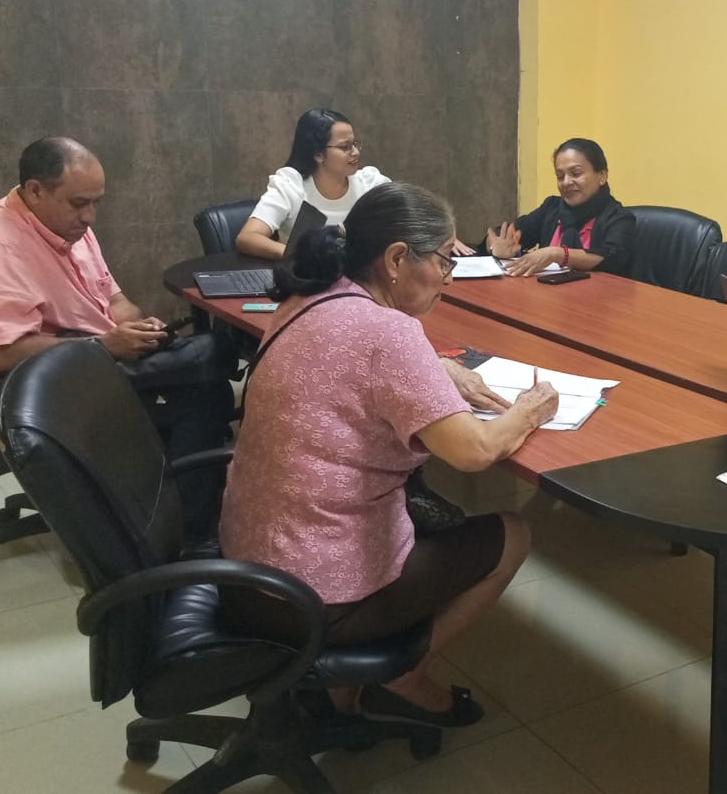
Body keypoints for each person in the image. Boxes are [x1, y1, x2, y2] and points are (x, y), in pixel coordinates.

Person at [220, 181, 558, 728]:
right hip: (312, 598)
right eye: (444, 260)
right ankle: (402, 678)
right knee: (512, 535)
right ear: (398, 259)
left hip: (248, 567)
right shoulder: (388, 332)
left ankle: (348, 680)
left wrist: (437, 368)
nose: (449, 277)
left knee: (425, 506)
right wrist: (529, 410)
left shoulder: (305, 300)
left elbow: (350, 367)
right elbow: (474, 451)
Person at [0, 137, 235, 538]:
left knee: (207, 374)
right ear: (35, 190)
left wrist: (135, 329)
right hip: (50, 389)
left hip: (98, 359)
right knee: (205, 388)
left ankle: (164, 511)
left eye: (95, 203)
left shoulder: (68, 227)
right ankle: (183, 536)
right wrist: (104, 345)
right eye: (79, 203)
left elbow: (115, 301)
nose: (90, 216)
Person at [235, 109, 398, 260]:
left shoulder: (370, 184)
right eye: (345, 147)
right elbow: (247, 237)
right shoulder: (291, 186)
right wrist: (300, 257)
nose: (355, 152)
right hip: (305, 277)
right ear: (318, 154)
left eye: (355, 144)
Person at [483, 137, 636, 277]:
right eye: (560, 176)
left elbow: (612, 258)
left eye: (576, 173)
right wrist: (496, 247)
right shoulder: (551, 208)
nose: (566, 182)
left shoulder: (619, 217)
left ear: (602, 176)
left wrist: (557, 254)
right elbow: (510, 233)